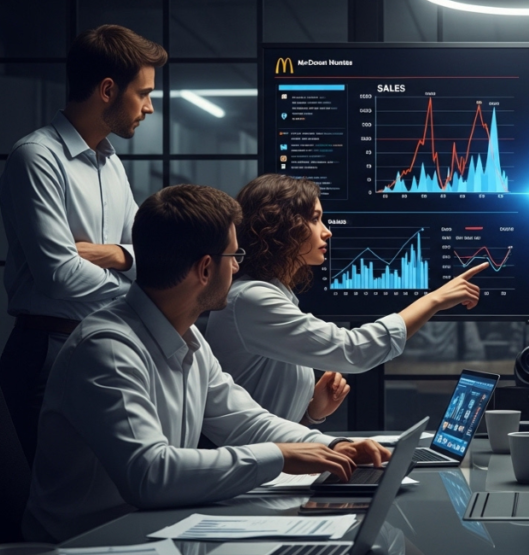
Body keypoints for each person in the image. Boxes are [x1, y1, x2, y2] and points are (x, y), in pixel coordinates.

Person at [23, 185, 391, 543]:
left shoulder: (189, 338)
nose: (237, 270)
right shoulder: (108, 349)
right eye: (234, 258)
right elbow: (150, 475)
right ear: (204, 269)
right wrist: (280, 456)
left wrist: (332, 446)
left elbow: (245, 421)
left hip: (155, 533)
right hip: (87, 544)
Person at [0, 25, 166, 462]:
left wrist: (114, 254)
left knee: (101, 488)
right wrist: (136, 289)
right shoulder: (37, 157)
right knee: (44, 498)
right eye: (144, 93)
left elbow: (146, 249)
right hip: (46, 351)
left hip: (104, 342)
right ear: (108, 89)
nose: (149, 107)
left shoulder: (110, 162)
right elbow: (58, 275)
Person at [205, 174, 487, 423]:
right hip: (251, 477)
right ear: (282, 226)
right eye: (315, 219)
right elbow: (353, 350)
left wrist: (312, 410)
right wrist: (434, 300)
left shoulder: (269, 296)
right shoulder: (251, 299)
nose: (327, 230)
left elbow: (263, 414)